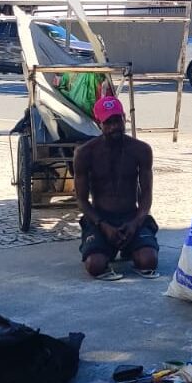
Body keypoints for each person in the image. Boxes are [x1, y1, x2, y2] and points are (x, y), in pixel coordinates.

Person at [73, 95, 160, 281]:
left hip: (131, 216)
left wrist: (136, 222)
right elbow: (81, 200)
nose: (114, 127)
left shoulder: (141, 150)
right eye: (108, 123)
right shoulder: (85, 153)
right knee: (94, 265)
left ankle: (132, 248)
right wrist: (102, 225)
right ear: (99, 123)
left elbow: (146, 196)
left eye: (118, 121)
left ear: (124, 118)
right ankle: (107, 249)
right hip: (101, 218)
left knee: (148, 261)